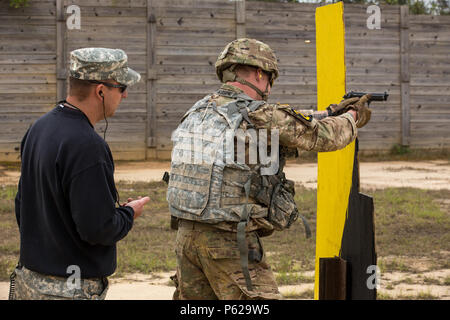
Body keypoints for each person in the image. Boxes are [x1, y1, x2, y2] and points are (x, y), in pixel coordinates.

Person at [166, 38, 372, 300]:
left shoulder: (199, 110)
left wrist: (329, 111)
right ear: (260, 73)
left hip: (187, 238)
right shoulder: (257, 114)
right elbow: (323, 137)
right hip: (228, 242)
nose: (269, 87)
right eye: (270, 78)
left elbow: (288, 121)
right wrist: (353, 117)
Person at [10, 48, 150, 300]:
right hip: (69, 291)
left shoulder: (38, 128)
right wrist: (129, 213)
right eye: (121, 87)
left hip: (28, 282)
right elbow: (98, 229)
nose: (125, 94)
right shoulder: (88, 146)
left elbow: (23, 204)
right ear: (100, 91)